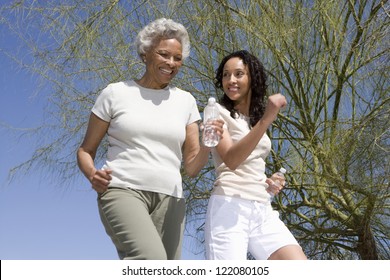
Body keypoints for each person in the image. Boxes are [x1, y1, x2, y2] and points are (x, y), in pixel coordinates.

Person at [77, 18, 223, 260]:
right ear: (145, 53)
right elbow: (85, 150)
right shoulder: (115, 93)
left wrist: (210, 144)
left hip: (172, 198)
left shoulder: (185, 101)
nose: (171, 63)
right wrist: (92, 174)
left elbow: (192, 167)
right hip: (123, 189)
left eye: (178, 58)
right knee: (150, 260)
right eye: (164, 54)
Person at [204, 50, 307, 260]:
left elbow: (250, 161)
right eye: (225, 74)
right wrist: (267, 119)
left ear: (253, 78)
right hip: (229, 205)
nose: (230, 80)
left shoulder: (253, 121)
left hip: (261, 207)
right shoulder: (216, 111)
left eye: (238, 74)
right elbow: (231, 160)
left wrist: (267, 181)